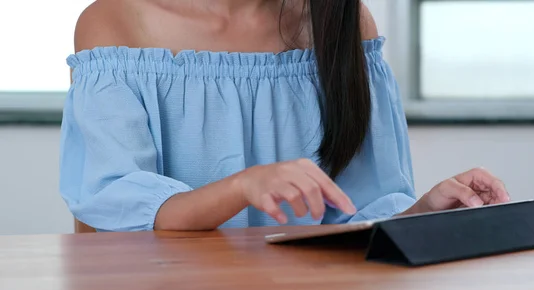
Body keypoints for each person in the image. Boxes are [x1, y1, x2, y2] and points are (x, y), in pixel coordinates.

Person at [60, 0, 510, 232]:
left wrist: (423, 211)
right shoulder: (116, 21)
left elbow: (356, 219)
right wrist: (242, 186)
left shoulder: (341, 23)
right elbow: (116, 205)